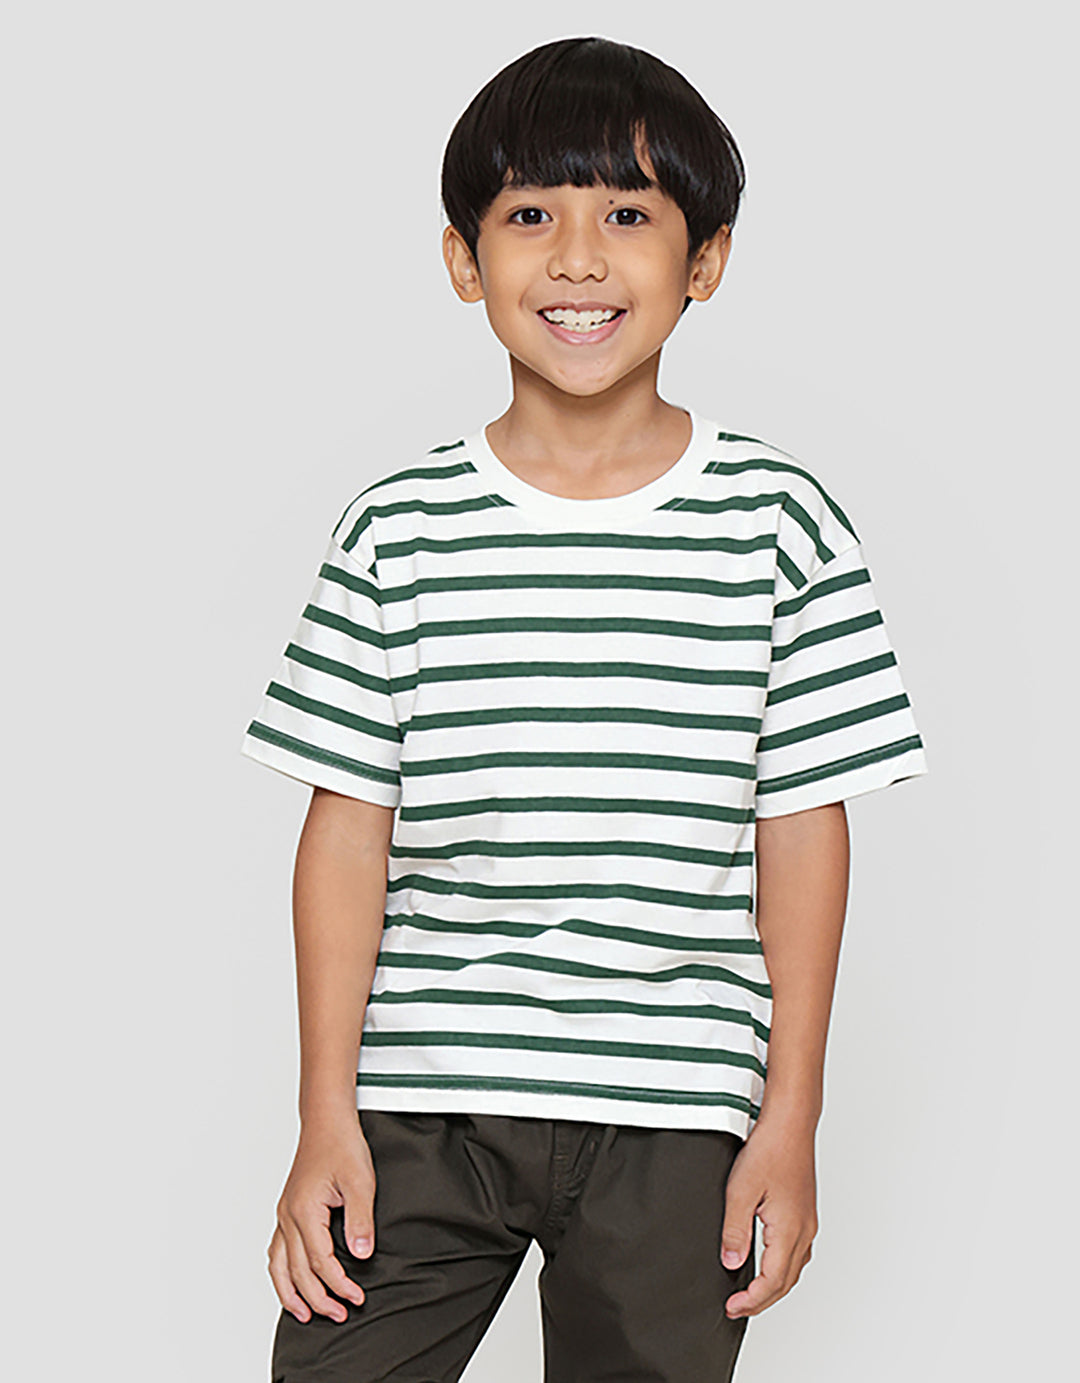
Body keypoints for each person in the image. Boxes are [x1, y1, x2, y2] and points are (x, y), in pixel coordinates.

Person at [240, 34, 929, 1383]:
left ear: (704, 260)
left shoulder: (780, 525)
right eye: (529, 217)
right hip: (423, 1097)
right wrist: (325, 1113)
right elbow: (346, 830)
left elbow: (802, 829)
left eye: (627, 215)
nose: (575, 260)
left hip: (673, 1108)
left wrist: (790, 1119)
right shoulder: (398, 529)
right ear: (463, 259)